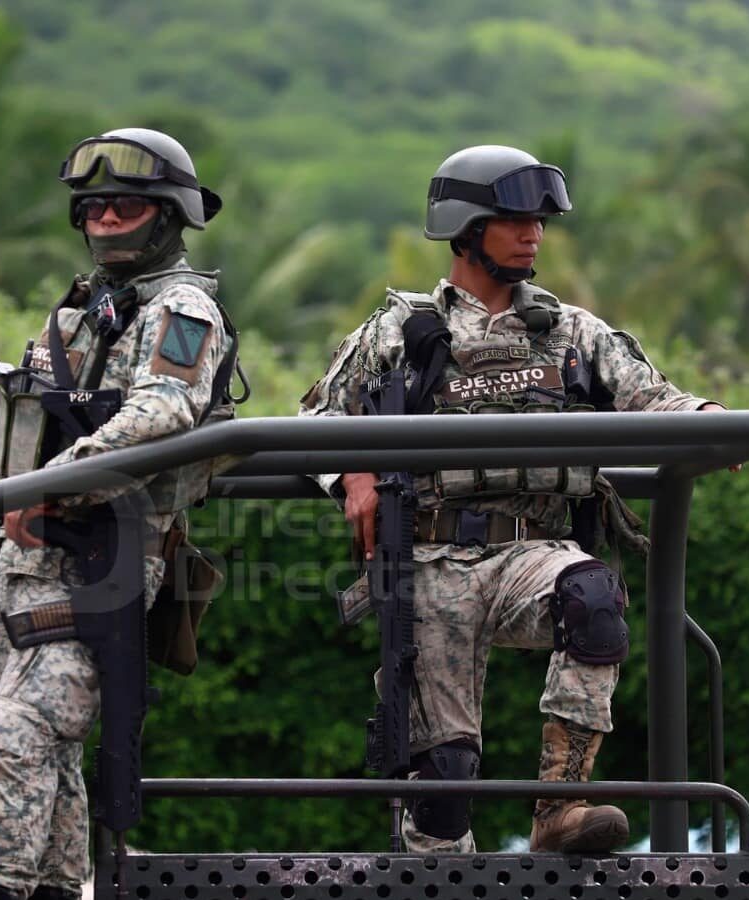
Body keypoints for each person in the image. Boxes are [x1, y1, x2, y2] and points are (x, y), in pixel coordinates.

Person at [299, 145, 726, 855]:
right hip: (430, 563)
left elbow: (652, 396)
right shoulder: (398, 332)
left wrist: (710, 417)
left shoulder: (570, 332)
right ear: (466, 230)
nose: (534, 233)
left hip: (532, 549)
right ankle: (438, 857)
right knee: (446, 787)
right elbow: (313, 420)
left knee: (593, 598)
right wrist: (353, 474)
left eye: (539, 221)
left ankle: (559, 807)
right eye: (514, 219)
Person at [0, 127, 237, 900]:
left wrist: (47, 489)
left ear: (167, 214)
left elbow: (161, 416)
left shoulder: (183, 311)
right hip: (24, 574)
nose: (105, 219)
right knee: (54, 777)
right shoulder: (78, 315)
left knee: (13, 740)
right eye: (94, 205)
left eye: (126, 206)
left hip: (103, 569)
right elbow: (36, 437)